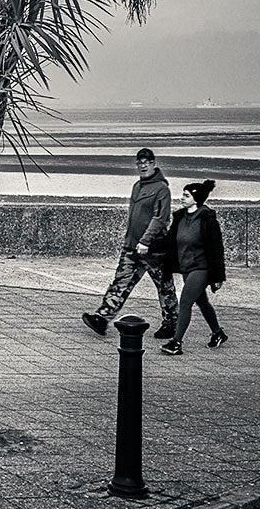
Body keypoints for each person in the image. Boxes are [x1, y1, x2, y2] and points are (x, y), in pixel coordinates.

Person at [82, 146, 177, 338]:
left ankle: (172, 323)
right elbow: (133, 218)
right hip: (132, 247)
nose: (143, 166)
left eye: (146, 163)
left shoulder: (162, 189)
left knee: (164, 286)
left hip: (154, 249)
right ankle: (102, 318)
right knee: (120, 282)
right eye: (139, 163)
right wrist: (129, 243)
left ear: (154, 164)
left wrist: (145, 241)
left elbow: (160, 219)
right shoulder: (137, 186)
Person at [161, 179, 228, 355]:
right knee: (202, 302)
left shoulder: (207, 219)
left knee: (185, 303)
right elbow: (170, 241)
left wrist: (218, 276)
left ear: (196, 199)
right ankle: (218, 333)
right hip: (186, 267)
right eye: (183, 194)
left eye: (186, 195)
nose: (182, 198)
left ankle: (176, 343)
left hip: (202, 267)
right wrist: (147, 246)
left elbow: (216, 248)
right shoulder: (180, 217)